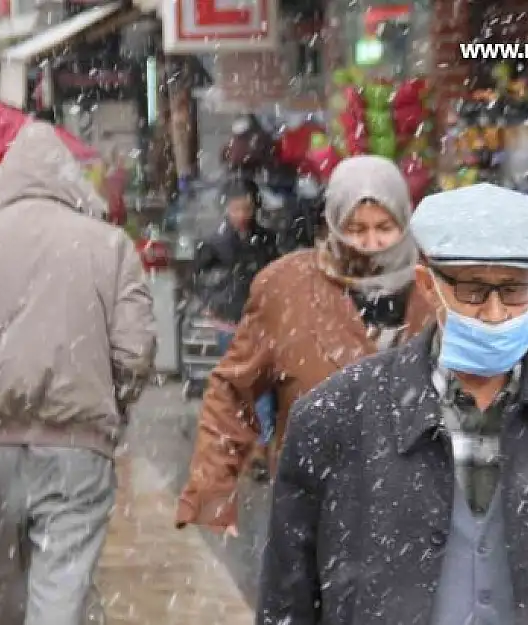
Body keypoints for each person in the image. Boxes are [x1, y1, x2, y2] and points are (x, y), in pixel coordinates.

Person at [257, 182, 528, 624]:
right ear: (428, 285)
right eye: (473, 290)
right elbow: (287, 601)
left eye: (515, 290)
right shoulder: (336, 419)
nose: (495, 312)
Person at [0, 119, 156, 625]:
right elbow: (135, 356)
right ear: (68, 177)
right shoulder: (109, 246)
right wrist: (106, 401)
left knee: (5, 595)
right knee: (62, 591)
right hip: (78, 448)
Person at [176, 155, 432, 533]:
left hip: (417, 516)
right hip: (314, 515)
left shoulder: (433, 291)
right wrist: (213, 490)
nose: (371, 242)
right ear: (333, 223)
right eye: (356, 228)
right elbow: (232, 389)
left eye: (384, 227)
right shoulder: (288, 288)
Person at [193, 177, 280, 480]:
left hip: (258, 321)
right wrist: (212, 301)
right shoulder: (216, 242)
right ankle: (239, 443)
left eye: (245, 207)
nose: (241, 214)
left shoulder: (265, 240)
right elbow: (201, 276)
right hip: (228, 320)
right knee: (235, 383)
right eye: (235, 208)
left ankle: (261, 444)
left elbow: (275, 273)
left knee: (260, 384)